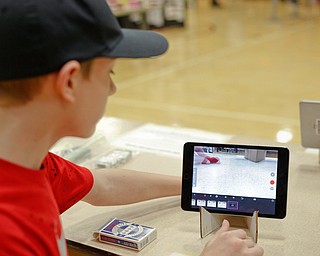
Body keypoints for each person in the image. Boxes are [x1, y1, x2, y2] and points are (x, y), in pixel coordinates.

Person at [0, 0, 264, 255]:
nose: (112, 89)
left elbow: (104, 185)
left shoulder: (33, 163)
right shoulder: (10, 234)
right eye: (109, 74)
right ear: (69, 82)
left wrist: (197, 187)